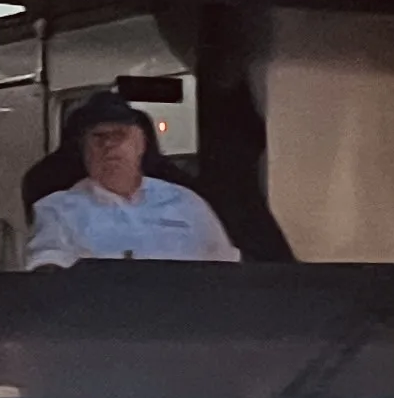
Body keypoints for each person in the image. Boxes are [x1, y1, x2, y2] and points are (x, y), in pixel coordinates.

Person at [26, 92, 239, 268]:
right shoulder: (57, 210)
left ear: (141, 145)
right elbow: (47, 269)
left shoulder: (186, 203)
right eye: (98, 137)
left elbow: (226, 267)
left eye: (119, 135)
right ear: (83, 150)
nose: (108, 145)